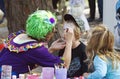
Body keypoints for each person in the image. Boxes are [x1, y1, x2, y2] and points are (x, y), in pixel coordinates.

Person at [0, 10, 74, 77]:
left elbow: (30, 57)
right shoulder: (36, 49)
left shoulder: (17, 35)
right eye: (53, 31)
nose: (53, 34)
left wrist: (50, 49)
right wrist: (69, 43)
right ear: (47, 33)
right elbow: (62, 67)